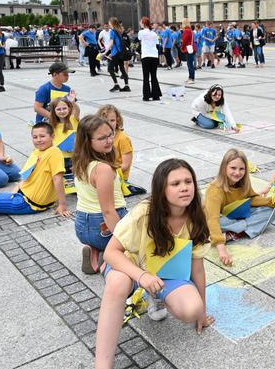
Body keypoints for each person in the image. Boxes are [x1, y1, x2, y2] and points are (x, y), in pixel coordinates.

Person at [94, 159, 213, 367]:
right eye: (175, 184)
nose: (184, 188)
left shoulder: (196, 215)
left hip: (166, 272)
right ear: (161, 189)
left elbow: (198, 268)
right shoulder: (144, 212)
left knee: (192, 309)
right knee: (117, 284)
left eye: (188, 181)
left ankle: (156, 295)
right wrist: (141, 276)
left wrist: (202, 312)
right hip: (130, 266)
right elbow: (111, 253)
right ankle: (102, 365)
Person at [73, 115, 128, 274]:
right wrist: (123, 242)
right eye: (102, 138)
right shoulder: (102, 168)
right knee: (140, 240)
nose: (109, 140)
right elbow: (108, 211)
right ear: (87, 142)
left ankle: (95, 250)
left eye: (110, 134)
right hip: (102, 227)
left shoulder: (81, 161)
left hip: (82, 227)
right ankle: (108, 263)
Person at [205, 149, 275, 266]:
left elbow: (251, 199)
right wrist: (221, 248)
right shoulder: (215, 189)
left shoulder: (243, 183)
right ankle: (233, 233)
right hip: (217, 220)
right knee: (218, 221)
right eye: (233, 168)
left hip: (235, 217)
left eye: (241, 169)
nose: (237, 172)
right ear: (224, 168)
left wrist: (272, 201)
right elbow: (212, 219)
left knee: (271, 212)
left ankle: (232, 233)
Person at [49, 96, 80, 173]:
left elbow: (77, 111)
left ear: (69, 109)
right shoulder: (52, 125)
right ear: (54, 111)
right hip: (59, 158)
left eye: (64, 108)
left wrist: (73, 103)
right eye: (58, 109)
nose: (62, 111)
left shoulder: (73, 119)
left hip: (74, 157)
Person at [102, 17, 131, 93]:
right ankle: (127, 85)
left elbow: (111, 43)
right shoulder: (120, 30)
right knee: (122, 68)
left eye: (109, 23)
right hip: (121, 52)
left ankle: (116, 85)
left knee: (110, 69)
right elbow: (117, 43)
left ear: (111, 23)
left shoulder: (112, 31)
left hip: (116, 53)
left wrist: (105, 52)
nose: (108, 24)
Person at [137, 17, 162, 101]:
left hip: (146, 56)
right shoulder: (154, 33)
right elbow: (156, 44)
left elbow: (140, 39)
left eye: (141, 22)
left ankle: (146, 96)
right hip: (154, 56)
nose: (140, 23)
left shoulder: (141, 32)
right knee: (154, 76)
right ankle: (156, 95)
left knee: (146, 76)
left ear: (143, 23)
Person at [180, 18, 196, 84]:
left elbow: (184, 41)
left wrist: (182, 47)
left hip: (188, 49)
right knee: (190, 64)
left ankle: (191, 78)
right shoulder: (190, 30)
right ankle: (190, 77)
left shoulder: (186, 31)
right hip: (191, 48)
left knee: (190, 64)